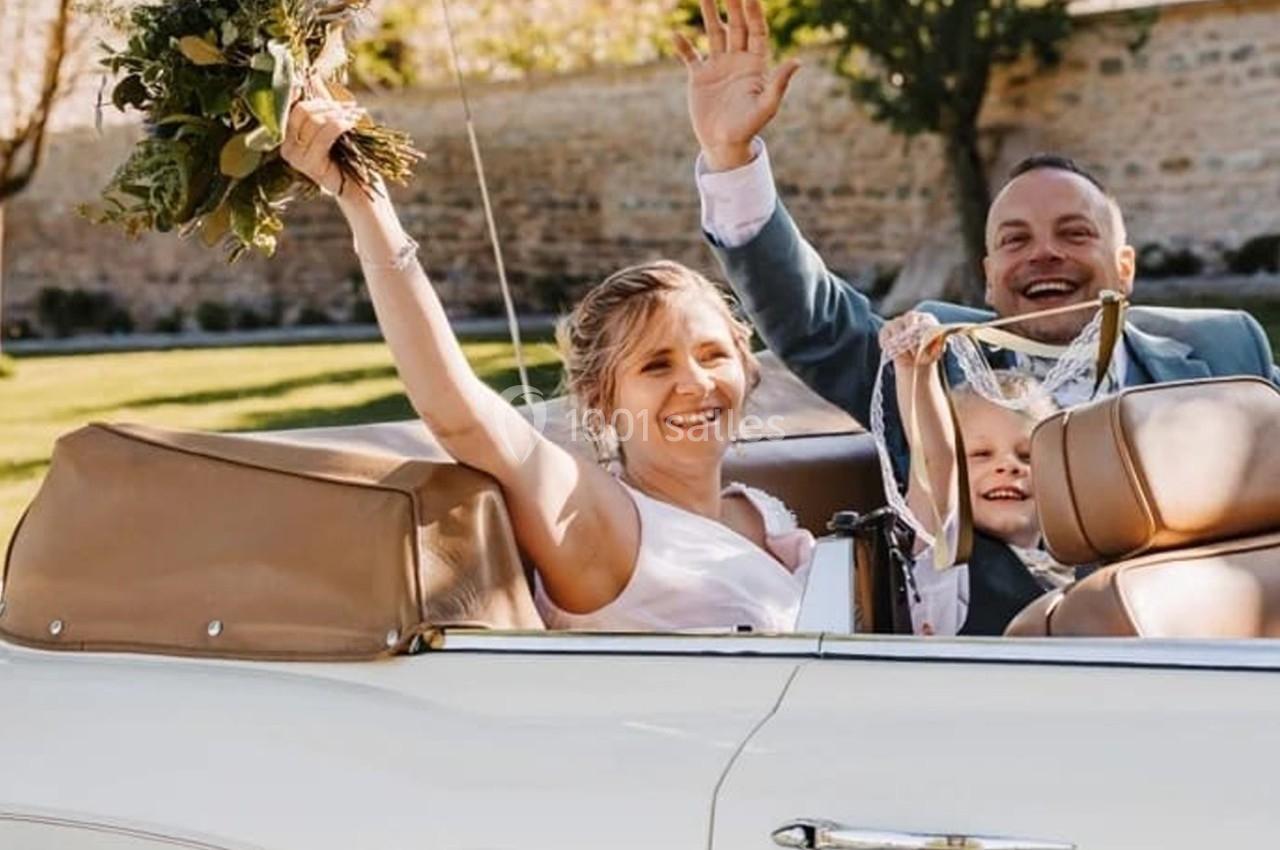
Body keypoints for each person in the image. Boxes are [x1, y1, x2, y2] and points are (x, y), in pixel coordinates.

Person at [675, 0, 1280, 629]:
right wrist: (731, 157)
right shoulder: (937, 357)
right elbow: (815, 322)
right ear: (989, 276)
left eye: (1074, 233)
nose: (1044, 253)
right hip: (1006, 668)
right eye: (1016, 240)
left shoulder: (1226, 350)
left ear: (1124, 266)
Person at [280, 98, 814, 634]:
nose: (696, 382)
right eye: (656, 366)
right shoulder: (594, 519)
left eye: (713, 355)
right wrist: (364, 201)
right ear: (602, 402)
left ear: (747, 367)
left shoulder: (760, 513)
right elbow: (457, 413)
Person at [881, 311, 1068, 635]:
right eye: (981, 454)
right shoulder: (946, 560)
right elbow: (936, 462)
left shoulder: (1080, 565)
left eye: (1027, 455)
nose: (1008, 466)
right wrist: (917, 370)